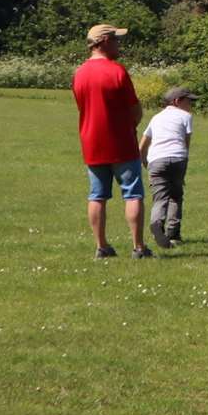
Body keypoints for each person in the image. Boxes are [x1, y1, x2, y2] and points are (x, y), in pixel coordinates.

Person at [72, 24, 152, 258]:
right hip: (121, 143)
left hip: (91, 143)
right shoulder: (117, 71)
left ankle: (102, 246)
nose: (119, 44)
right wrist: (129, 126)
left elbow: (82, 107)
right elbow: (135, 109)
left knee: (97, 195)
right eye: (116, 39)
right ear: (104, 41)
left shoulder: (79, 73)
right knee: (133, 194)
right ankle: (138, 247)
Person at [140, 87, 197, 249]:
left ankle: (156, 223)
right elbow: (186, 142)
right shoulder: (186, 116)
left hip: (156, 160)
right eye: (189, 101)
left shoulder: (156, 118)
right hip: (178, 157)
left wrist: (145, 161)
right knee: (176, 196)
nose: (191, 105)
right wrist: (183, 162)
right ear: (177, 101)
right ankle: (173, 234)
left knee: (160, 198)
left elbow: (142, 145)